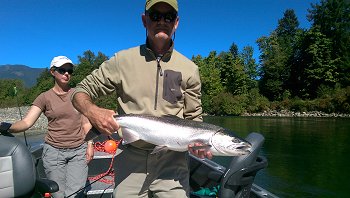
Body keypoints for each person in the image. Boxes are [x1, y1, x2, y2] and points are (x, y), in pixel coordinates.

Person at [71, 0, 211, 197]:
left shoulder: (190, 69)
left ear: (176, 22)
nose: (162, 21)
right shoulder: (122, 61)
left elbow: (194, 118)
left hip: (173, 164)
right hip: (130, 159)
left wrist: (198, 144)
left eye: (168, 16)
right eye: (155, 15)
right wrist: (92, 111)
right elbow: (80, 91)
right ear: (144, 20)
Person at [6, 56, 94, 198]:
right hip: (53, 152)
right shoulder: (44, 97)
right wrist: (6, 126)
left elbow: (85, 122)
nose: (67, 73)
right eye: (62, 70)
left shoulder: (78, 95)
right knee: (58, 194)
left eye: (70, 71)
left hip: (79, 151)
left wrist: (90, 144)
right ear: (52, 72)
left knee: (75, 194)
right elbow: (27, 122)